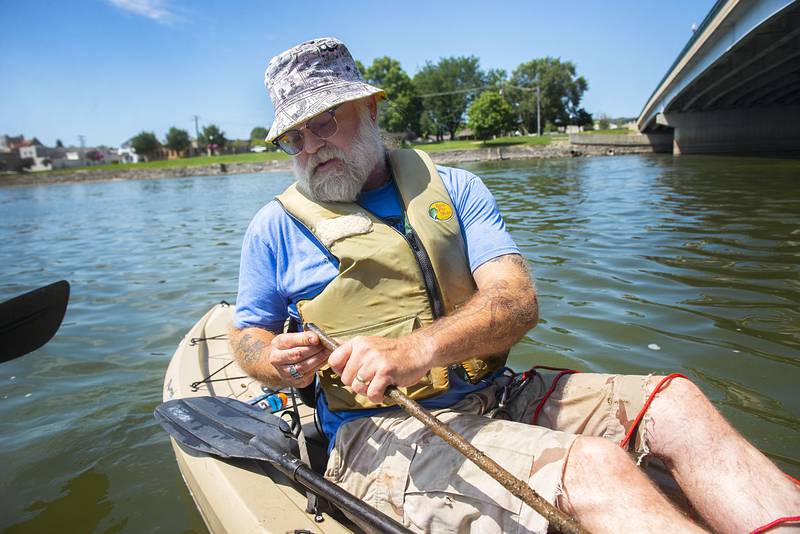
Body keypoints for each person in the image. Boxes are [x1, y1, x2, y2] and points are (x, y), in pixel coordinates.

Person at [231, 37, 799, 533]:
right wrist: (272, 357)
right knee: (593, 468)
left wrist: (418, 348)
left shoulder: (456, 188)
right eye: (294, 137)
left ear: (371, 108)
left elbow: (516, 301)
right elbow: (248, 335)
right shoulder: (274, 227)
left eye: (325, 121)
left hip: (499, 390)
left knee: (677, 402)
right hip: (376, 433)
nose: (311, 146)